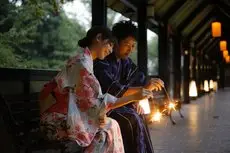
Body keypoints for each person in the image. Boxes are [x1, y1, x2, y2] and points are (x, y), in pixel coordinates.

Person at [39, 26, 153, 153]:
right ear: (98, 38)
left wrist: (102, 113)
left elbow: (91, 102)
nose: (111, 49)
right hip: (57, 120)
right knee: (106, 132)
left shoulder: (84, 61)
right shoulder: (81, 63)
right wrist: (133, 97)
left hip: (70, 115)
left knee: (112, 126)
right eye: (109, 44)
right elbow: (96, 103)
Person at [94, 21, 164, 153]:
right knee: (131, 118)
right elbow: (114, 90)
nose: (130, 49)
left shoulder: (126, 62)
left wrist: (139, 96)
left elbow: (139, 81)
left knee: (138, 114)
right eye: (126, 44)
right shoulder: (102, 61)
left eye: (133, 46)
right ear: (115, 42)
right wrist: (144, 90)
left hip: (122, 104)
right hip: (105, 106)